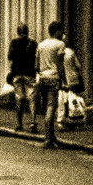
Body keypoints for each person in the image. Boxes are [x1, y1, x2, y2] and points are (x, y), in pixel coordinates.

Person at [35, 21, 66, 149]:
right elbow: (60, 65)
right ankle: (48, 139)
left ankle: (51, 136)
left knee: (45, 107)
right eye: (62, 30)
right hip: (54, 77)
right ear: (57, 31)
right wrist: (63, 80)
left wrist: (42, 73)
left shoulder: (41, 45)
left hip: (42, 78)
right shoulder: (60, 44)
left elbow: (36, 66)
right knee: (51, 108)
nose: (63, 33)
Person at [8, 24, 39, 132]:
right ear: (27, 31)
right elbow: (37, 58)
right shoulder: (33, 43)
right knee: (32, 99)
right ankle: (33, 122)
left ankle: (19, 123)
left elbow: (10, 57)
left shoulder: (14, 42)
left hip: (17, 73)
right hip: (30, 73)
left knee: (19, 98)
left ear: (18, 32)